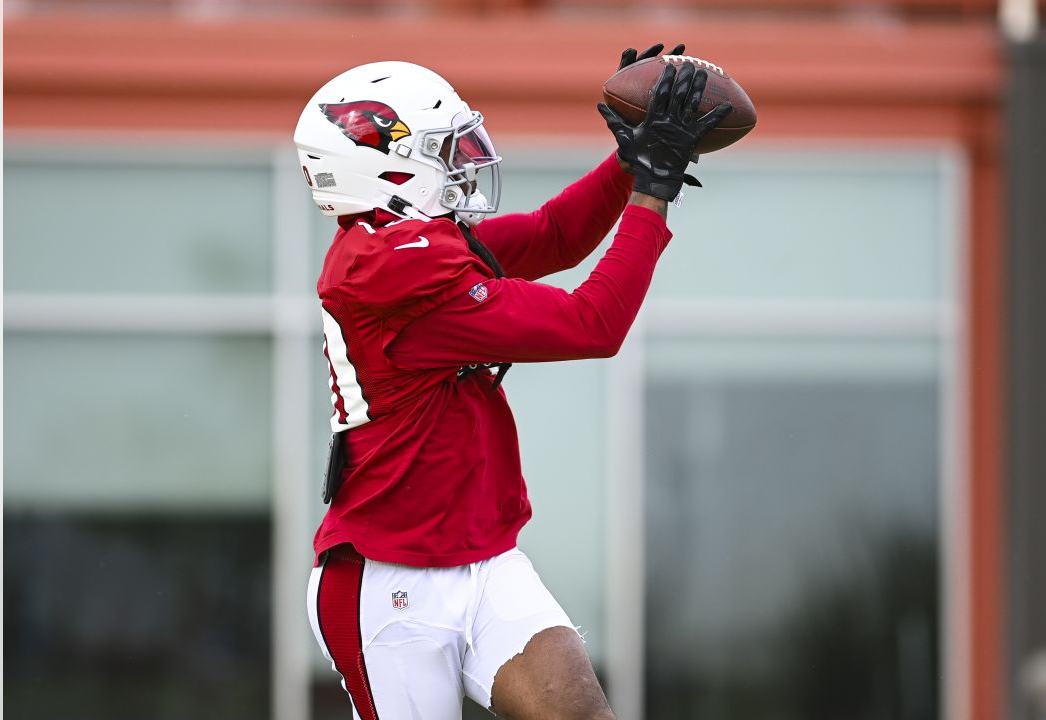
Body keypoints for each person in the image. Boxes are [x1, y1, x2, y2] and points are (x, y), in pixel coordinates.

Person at [293, 45, 730, 719]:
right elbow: (594, 324)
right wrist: (653, 191)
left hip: (481, 558)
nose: (465, 161)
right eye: (445, 150)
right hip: (387, 580)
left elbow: (554, 236)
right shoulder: (391, 273)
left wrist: (630, 161)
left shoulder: (405, 243)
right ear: (385, 166)